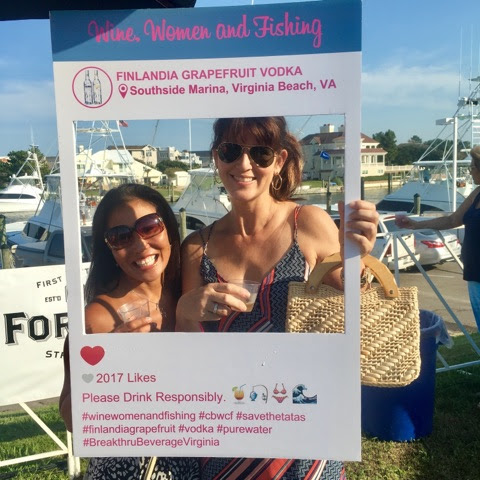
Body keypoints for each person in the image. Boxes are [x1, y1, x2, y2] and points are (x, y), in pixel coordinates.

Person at [176, 117, 379, 480]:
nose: (243, 164)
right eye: (230, 151)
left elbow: (356, 307)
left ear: (279, 161)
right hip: (229, 428)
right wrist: (184, 311)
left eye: (260, 153)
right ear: (216, 157)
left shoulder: (309, 223)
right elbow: (188, 358)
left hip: (302, 422)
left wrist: (359, 257)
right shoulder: (196, 248)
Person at [59, 184, 200, 479]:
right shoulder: (96, 318)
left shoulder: (190, 296)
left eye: (150, 226)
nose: (140, 245)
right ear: (109, 249)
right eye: (121, 237)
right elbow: (73, 420)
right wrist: (110, 362)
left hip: (196, 463)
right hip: (128, 470)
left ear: (169, 229)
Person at [396, 145, 480, 331]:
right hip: (474, 273)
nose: (470, 172)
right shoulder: (476, 193)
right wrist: (415, 225)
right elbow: (452, 220)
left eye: (472, 167)